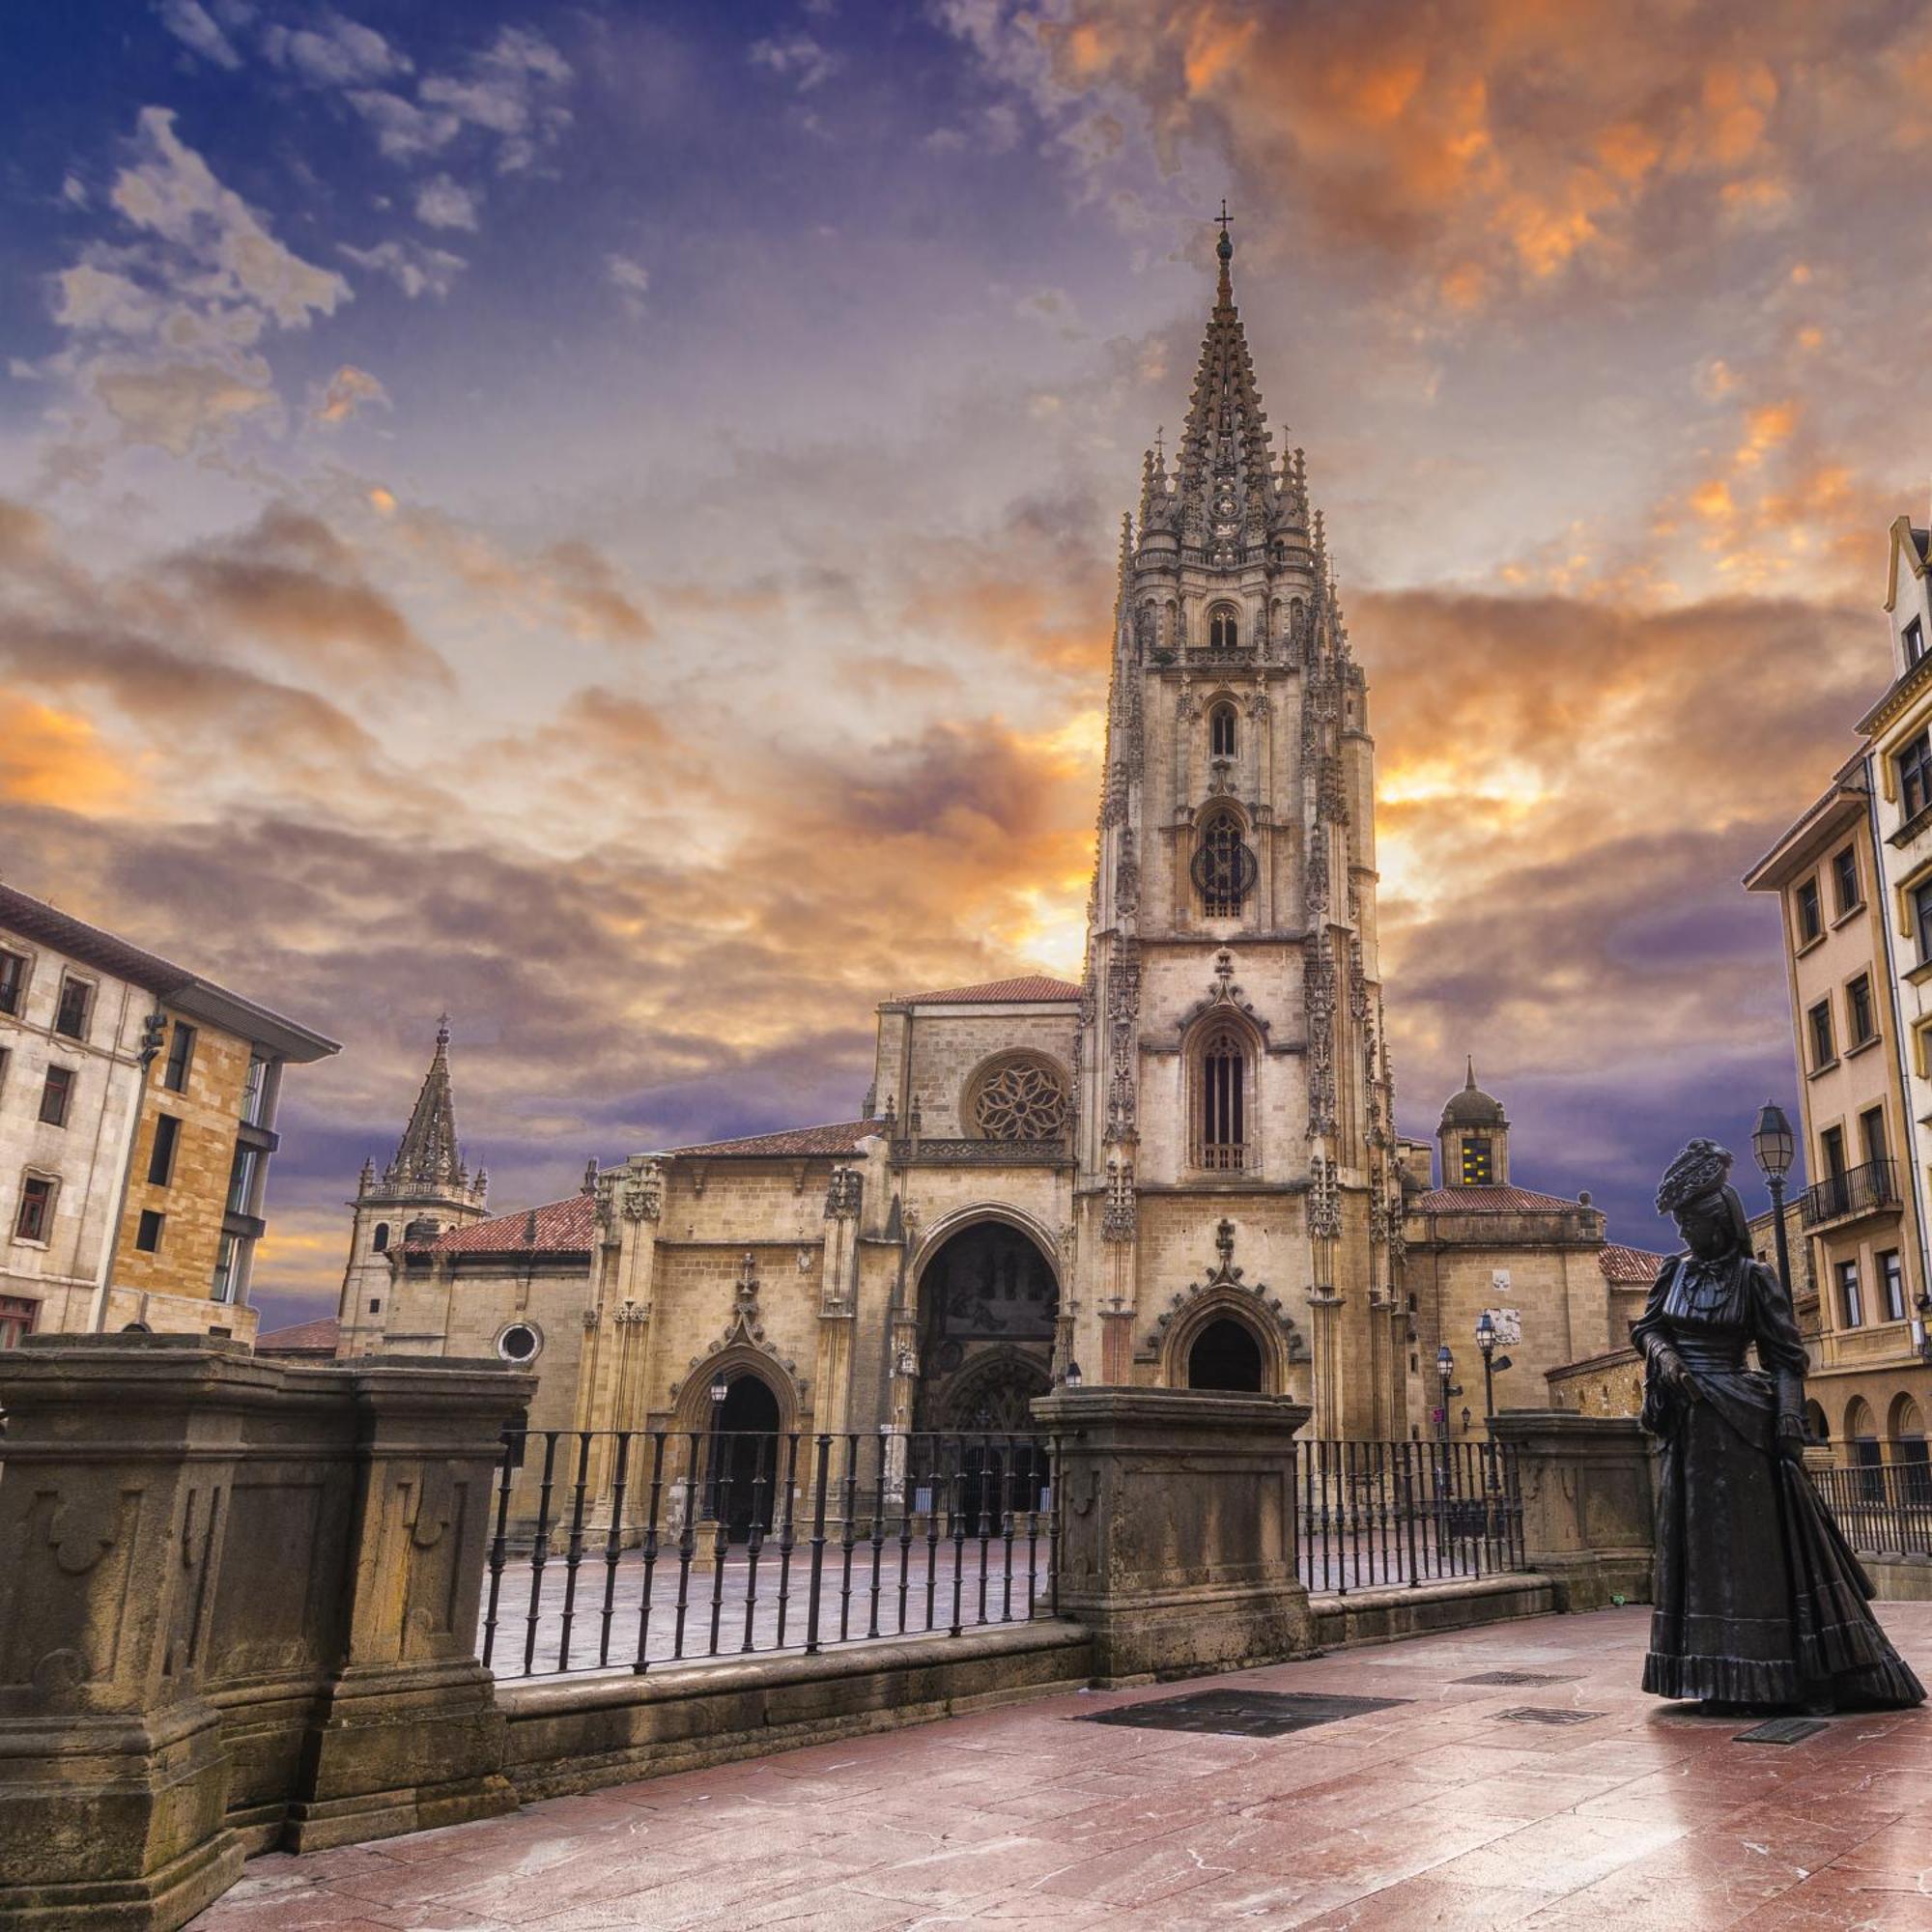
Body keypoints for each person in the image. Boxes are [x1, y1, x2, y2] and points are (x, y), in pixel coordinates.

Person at [1634, 1138, 1923, 1711]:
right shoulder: (1673, 1273)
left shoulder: (1753, 1278)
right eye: (1680, 1224)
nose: (1684, 1234)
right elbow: (1646, 1329)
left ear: (1718, 1221)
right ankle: (1710, 1673)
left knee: (1751, 1555)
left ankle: (1769, 1672)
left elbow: (1786, 1357)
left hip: (1741, 1429)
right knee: (1697, 1555)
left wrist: (1789, 1422)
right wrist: (1665, 1359)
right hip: (1689, 1430)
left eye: (1691, 1222)